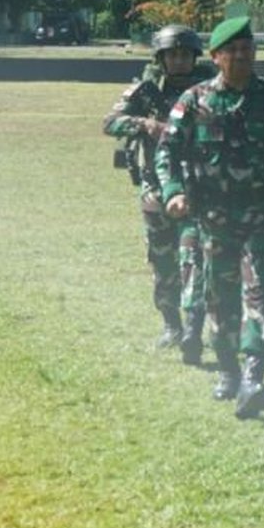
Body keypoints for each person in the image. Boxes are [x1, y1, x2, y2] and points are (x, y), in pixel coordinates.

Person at [156, 16, 264, 419]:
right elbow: (166, 151)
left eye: (247, 50)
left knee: (261, 292)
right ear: (216, 57)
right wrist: (173, 191)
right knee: (219, 296)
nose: (240, 57)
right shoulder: (194, 100)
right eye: (232, 51)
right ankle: (229, 370)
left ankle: (253, 377)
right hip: (213, 217)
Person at [102, 24, 215, 364]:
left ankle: (200, 325)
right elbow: (110, 122)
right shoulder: (146, 89)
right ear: (161, 57)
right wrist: (145, 124)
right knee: (162, 261)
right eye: (172, 55)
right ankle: (171, 325)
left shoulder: (209, 88)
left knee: (196, 260)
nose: (179, 61)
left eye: (185, 54)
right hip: (155, 189)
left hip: (200, 187)